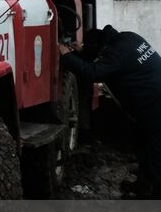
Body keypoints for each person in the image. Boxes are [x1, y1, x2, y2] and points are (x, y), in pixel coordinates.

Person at [61, 25, 161, 198]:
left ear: (100, 48)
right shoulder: (129, 37)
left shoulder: (115, 53)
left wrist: (66, 55)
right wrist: (81, 52)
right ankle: (143, 185)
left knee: (155, 152)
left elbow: (93, 72)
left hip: (154, 107)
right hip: (149, 104)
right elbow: (104, 63)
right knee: (142, 145)